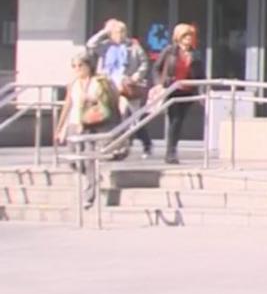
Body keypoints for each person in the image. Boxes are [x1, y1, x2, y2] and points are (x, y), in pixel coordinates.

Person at [54, 49, 119, 205]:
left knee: (89, 158)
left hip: (91, 123)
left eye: (80, 65)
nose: (77, 69)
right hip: (75, 122)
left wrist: (92, 99)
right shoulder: (73, 84)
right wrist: (59, 127)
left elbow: (108, 101)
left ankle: (89, 193)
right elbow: (68, 104)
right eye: (74, 66)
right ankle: (93, 177)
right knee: (73, 160)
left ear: (89, 66)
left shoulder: (99, 81)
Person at [86, 19, 153, 158]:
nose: (120, 35)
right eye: (116, 32)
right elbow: (90, 44)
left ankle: (146, 143)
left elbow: (144, 63)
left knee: (132, 117)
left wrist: (136, 76)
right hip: (109, 85)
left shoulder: (133, 46)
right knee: (111, 116)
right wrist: (104, 32)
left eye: (122, 32)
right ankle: (117, 146)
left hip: (127, 85)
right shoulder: (106, 46)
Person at [152, 23, 204, 164]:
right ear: (179, 37)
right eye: (185, 36)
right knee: (174, 120)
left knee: (179, 121)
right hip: (172, 90)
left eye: (190, 36)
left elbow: (201, 75)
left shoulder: (195, 54)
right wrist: (159, 84)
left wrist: (201, 90)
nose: (188, 39)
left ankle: (173, 149)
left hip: (187, 92)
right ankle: (170, 152)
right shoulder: (170, 51)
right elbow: (156, 68)